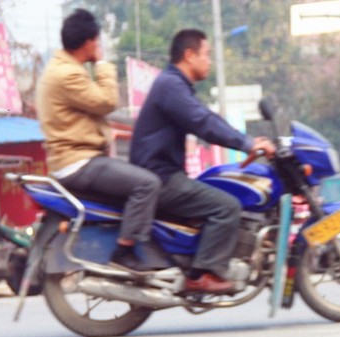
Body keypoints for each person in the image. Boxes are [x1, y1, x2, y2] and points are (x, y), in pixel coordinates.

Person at [130, 28, 276, 294]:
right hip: (160, 177)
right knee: (226, 207)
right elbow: (203, 122)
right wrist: (247, 144)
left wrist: (246, 142)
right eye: (206, 54)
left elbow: (206, 118)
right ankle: (201, 274)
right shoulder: (171, 86)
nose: (209, 60)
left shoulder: (175, 86)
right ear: (189, 55)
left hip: (161, 173)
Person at [36, 9, 163, 272]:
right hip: (78, 163)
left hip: (79, 159)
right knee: (147, 184)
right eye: (98, 41)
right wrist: (102, 64)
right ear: (90, 42)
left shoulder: (63, 69)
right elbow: (106, 101)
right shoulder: (67, 74)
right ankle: (124, 251)